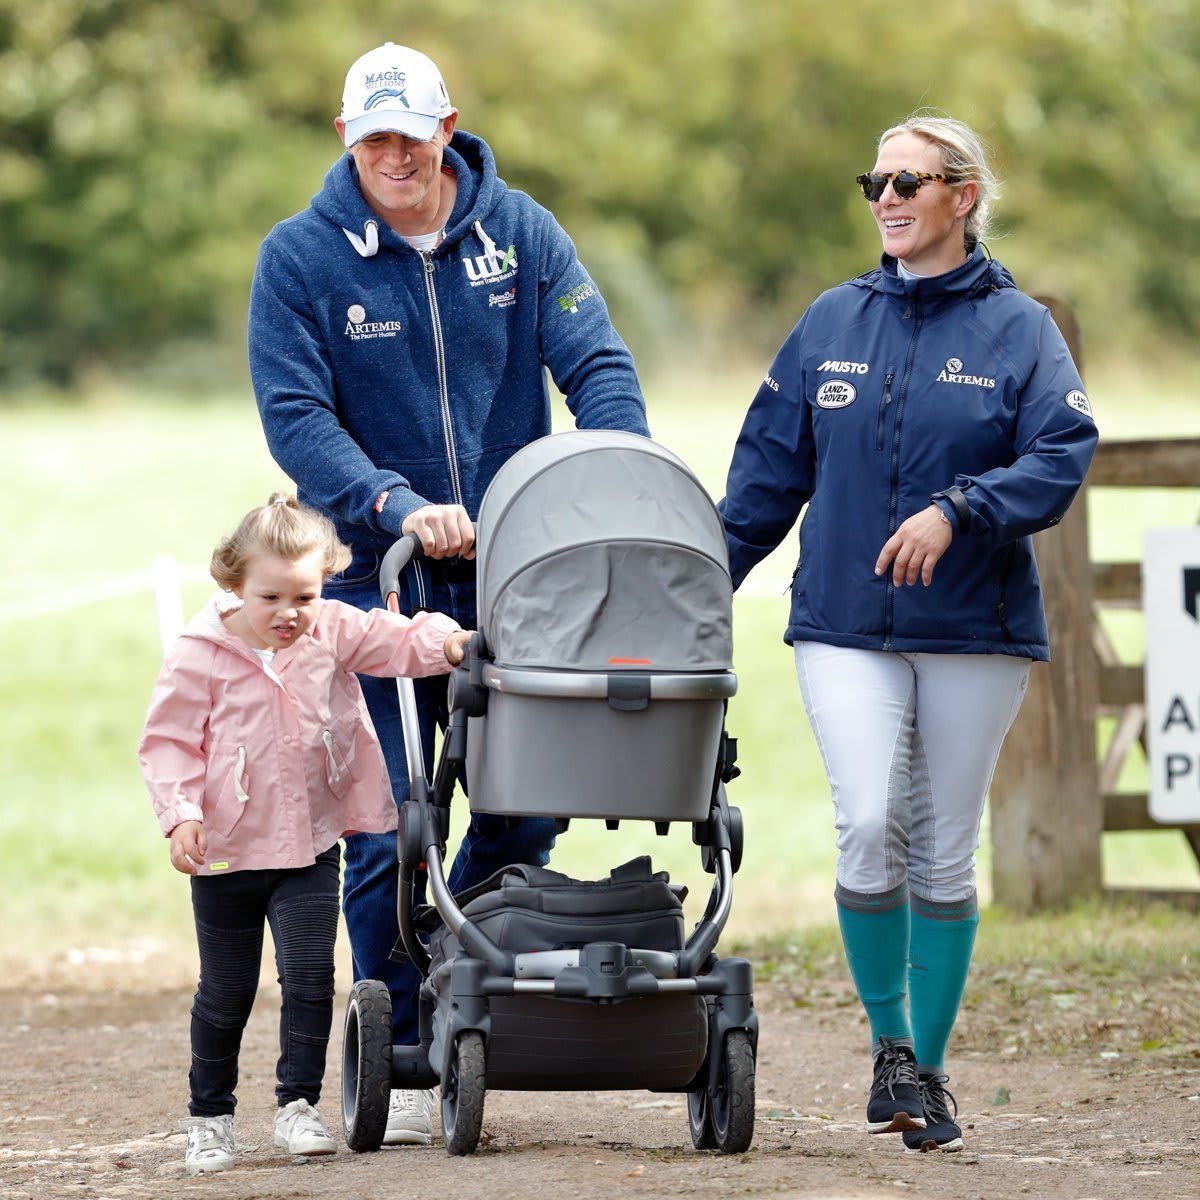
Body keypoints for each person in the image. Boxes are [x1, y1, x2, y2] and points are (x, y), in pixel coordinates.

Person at [248, 42, 649, 1144]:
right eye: (372, 137)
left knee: (529, 803)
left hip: (523, 576)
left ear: (447, 127)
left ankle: (452, 965)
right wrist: (389, 500)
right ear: (346, 139)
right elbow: (296, 416)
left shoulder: (521, 233)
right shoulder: (300, 260)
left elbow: (597, 364)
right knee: (386, 822)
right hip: (376, 579)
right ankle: (409, 1052)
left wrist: (615, 476)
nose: (393, 155)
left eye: (410, 135)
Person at [720, 114, 1098, 1153]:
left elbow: (1064, 452)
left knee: (941, 847)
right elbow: (763, 480)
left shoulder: (1020, 330)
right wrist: (699, 580)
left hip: (975, 626)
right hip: (844, 622)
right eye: (872, 179)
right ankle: (890, 1048)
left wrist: (960, 508)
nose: (884, 196)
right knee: (868, 817)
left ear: (962, 195)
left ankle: (927, 1072)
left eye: (907, 180)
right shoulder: (831, 320)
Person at [137, 495, 468, 1175]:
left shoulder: (328, 631)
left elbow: (392, 637)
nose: (290, 612)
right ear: (232, 584)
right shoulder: (201, 652)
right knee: (226, 992)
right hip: (226, 853)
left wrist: (449, 643)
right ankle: (209, 1117)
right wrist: (182, 815)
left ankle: (298, 1105)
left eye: (305, 595)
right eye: (271, 597)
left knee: (313, 979)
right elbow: (168, 741)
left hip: (310, 846)